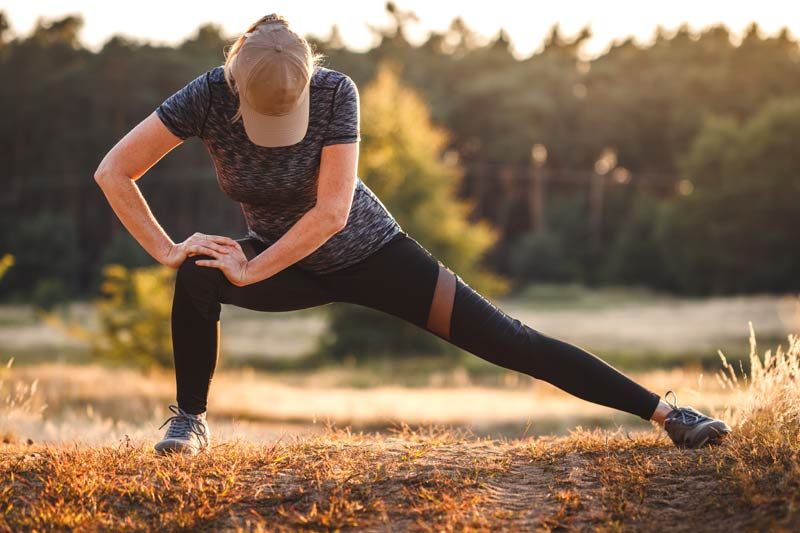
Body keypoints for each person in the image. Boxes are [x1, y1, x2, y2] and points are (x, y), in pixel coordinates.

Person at [93, 13, 731, 456]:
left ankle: (671, 416)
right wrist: (170, 250)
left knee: (512, 340)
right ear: (234, 84)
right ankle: (190, 420)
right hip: (284, 261)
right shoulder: (207, 95)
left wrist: (252, 268)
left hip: (372, 253)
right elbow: (115, 170)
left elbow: (332, 214)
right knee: (196, 274)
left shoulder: (336, 91)